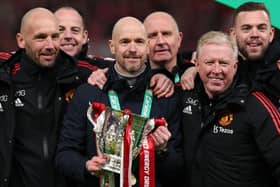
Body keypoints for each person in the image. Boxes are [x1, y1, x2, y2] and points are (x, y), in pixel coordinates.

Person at [55, 16, 183, 187]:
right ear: (112, 47)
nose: (132, 49)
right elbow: (64, 154)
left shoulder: (165, 95)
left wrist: (163, 151)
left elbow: (179, 171)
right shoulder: (88, 93)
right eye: (124, 42)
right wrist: (85, 166)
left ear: (147, 46)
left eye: (138, 41)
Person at [0, 7, 96, 187]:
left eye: (54, 36)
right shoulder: (6, 76)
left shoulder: (78, 74)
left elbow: (126, 67)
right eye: (41, 37)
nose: (50, 45)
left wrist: (160, 75)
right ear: (21, 40)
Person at [182, 31, 280, 187]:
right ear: (197, 65)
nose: (216, 70)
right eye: (209, 62)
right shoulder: (185, 95)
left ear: (235, 67)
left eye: (223, 63)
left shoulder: (256, 105)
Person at [182, 2, 280, 110]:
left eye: (261, 28)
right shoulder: (228, 59)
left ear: (271, 34)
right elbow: (175, 59)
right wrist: (190, 67)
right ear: (233, 34)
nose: (254, 34)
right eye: (246, 28)